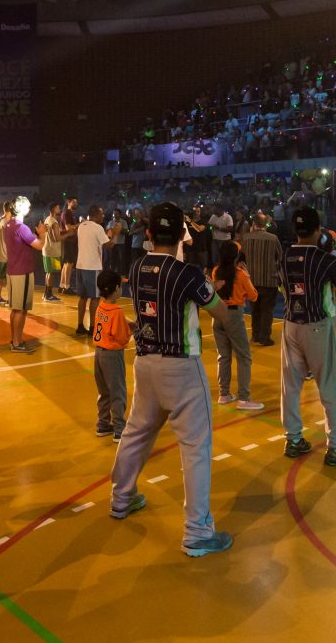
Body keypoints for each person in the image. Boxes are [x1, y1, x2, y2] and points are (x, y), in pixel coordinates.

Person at [109, 201, 234, 558]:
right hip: (181, 367)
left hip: (145, 363)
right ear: (183, 233)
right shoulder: (189, 274)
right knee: (196, 447)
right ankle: (197, 531)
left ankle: (121, 498)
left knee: (136, 432)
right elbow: (220, 311)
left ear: (148, 234)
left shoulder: (137, 266)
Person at [279, 208, 336, 464]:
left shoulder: (285, 257)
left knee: (290, 386)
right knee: (330, 386)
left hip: (291, 324)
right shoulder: (327, 261)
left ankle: (293, 439)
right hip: (318, 326)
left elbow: (283, 288)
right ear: (318, 230)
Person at [210, 241, 263, 411]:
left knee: (223, 356)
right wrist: (247, 274)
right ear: (236, 256)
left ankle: (224, 394)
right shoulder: (240, 274)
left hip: (217, 314)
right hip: (234, 314)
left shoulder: (216, 271)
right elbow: (254, 296)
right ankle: (243, 398)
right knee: (244, 357)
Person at [91, 270, 132, 441]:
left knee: (104, 391)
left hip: (99, 354)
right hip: (113, 356)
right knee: (118, 391)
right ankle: (120, 429)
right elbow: (121, 337)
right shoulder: (117, 311)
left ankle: (102, 424)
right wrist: (132, 330)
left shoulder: (101, 307)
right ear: (116, 289)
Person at [3, 197, 46, 352]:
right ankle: (17, 342)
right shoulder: (21, 227)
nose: (29, 209)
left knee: (16, 308)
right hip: (23, 271)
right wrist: (42, 234)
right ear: (21, 209)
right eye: (27, 207)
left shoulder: (8, 225)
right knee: (21, 309)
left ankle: (15, 339)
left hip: (13, 270)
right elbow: (39, 246)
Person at [240, 214, 282, 346]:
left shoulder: (246, 238)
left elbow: (241, 259)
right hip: (269, 280)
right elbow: (279, 257)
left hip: (251, 280)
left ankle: (255, 335)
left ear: (254, 224)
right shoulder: (273, 238)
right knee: (267, 310)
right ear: (266, 224)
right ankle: (265, 337)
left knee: (254, 310)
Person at [74, 206, 110, 336]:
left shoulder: (81, 226)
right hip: (92, 266)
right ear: (95, 214)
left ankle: (80, 326)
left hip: (80, 265)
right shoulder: (98, 228)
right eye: (102, 213)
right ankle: (92, 327)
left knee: (82, 297)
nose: (103, 216)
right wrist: (114, 233)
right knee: (95, 298)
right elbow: (108, 245)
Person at [41, 202, 64, 302]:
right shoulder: (54, 222)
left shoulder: (47, 219)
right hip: (53, 251)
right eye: (58, 207)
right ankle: (49, 295)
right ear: (54, 209)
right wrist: (68, 234)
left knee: (48, 272)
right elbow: (57, 238)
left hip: (46, 249)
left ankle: (46, 293)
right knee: (52, 273)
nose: (59, 209)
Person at [0, 201, 13, 306]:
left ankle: (0, 297)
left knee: (4, 277)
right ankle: (1, 298)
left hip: (4, 254)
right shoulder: (4, 221)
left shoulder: (4, 220)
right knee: (4, 277)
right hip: (4, 254)